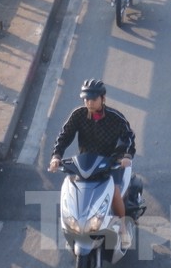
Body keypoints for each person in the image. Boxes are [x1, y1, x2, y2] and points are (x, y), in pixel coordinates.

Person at [48, 79, 138, 229]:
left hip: (110, 163)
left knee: (114, 191)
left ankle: (122, 227)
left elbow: (128, 137)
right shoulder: (78, 115)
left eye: (93, 99)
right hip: (86, 164)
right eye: (86, 99)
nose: (89, 102)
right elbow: (64, 135)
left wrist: (126, 156)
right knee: (73, 191)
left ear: (103, 99)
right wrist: (56, 156)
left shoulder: (116, 118)